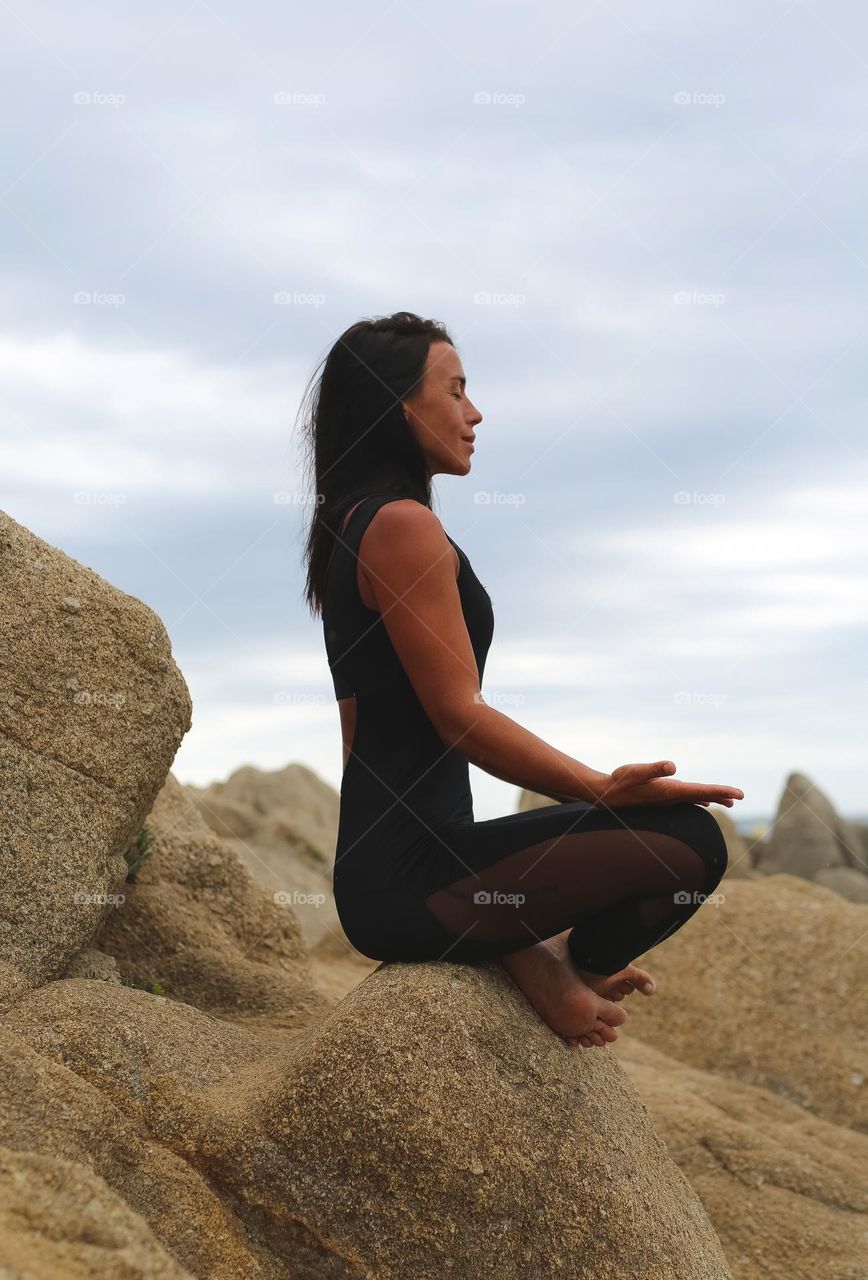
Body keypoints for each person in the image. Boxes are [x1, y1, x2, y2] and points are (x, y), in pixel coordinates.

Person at [300, 311, 743, 1050]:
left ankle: (560, 968)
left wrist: (530, 958)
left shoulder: (353, 525)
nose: (475, 414)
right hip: (410, 878)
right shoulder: (402, 527)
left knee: (684, 842)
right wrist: (600, 788)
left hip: (400, 872)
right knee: (693, 844)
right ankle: (584, 962)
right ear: (398, 404)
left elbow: (364, 740)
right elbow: (460, 719)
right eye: (457, 391)